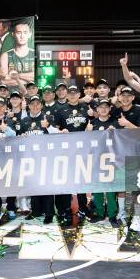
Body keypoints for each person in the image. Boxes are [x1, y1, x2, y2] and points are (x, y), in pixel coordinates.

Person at [54, 85, 91, 225]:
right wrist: (60, 132)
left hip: (82, 149)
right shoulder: (60, 110)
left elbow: (92, 124)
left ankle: (82, 208)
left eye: (75, 93)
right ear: (67, 95)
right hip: (66, 150)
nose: (73, 95)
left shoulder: (86, 108)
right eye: (70, 93)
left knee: (81, 179)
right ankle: (64, 208)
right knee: (65, 178)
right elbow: (56, 130)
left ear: (79, 94)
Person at [115, 87, 140, 231]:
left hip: (136, 153)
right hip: (120, 153)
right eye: (123, 95)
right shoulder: (115, 111)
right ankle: (121, 212)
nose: (126, 98)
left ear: (133, 97)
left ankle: (136, 217)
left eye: (129, 95)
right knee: (121, 185)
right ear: (119, 97)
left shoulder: (139, 109)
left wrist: (127, 124)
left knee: (137, 187)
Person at [20, 96, 55, 224]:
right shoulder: (24, 121)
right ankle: (36, 211)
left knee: (47, 187)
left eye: (37, 104)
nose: (35, 106)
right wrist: (21, 137)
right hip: (30, 158)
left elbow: (57, 135)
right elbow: (20, 138)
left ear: (41, 105)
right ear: (29, 106)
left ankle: (49, 213)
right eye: (32, 104)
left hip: (46, 157)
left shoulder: (48, 118)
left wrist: (49, 127)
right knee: (34, 186)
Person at [86, 99, 120, 228]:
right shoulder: (92, 123)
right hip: (96, 160)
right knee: (97, 190)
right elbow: (85, 142)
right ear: (97, 109)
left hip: (111, 160)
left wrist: (115, 132)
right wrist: (87, 132)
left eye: (106, 107)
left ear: (110, 109)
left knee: (111, 191)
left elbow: (122, 141)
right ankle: (99, 213)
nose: (104, 109)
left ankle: (112, 215)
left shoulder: (115, 123)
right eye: (101, 107)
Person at [0, 20, 35, 87]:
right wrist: (30, 79)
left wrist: (17, 76)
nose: (22, 36)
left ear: (30, 34)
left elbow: (37, 77)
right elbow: (4, 81)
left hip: (32, 95)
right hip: (12, 96)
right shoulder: (5, 55)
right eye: (19, 33)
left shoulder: (35, 54)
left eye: (25, 32)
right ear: (13, 34)